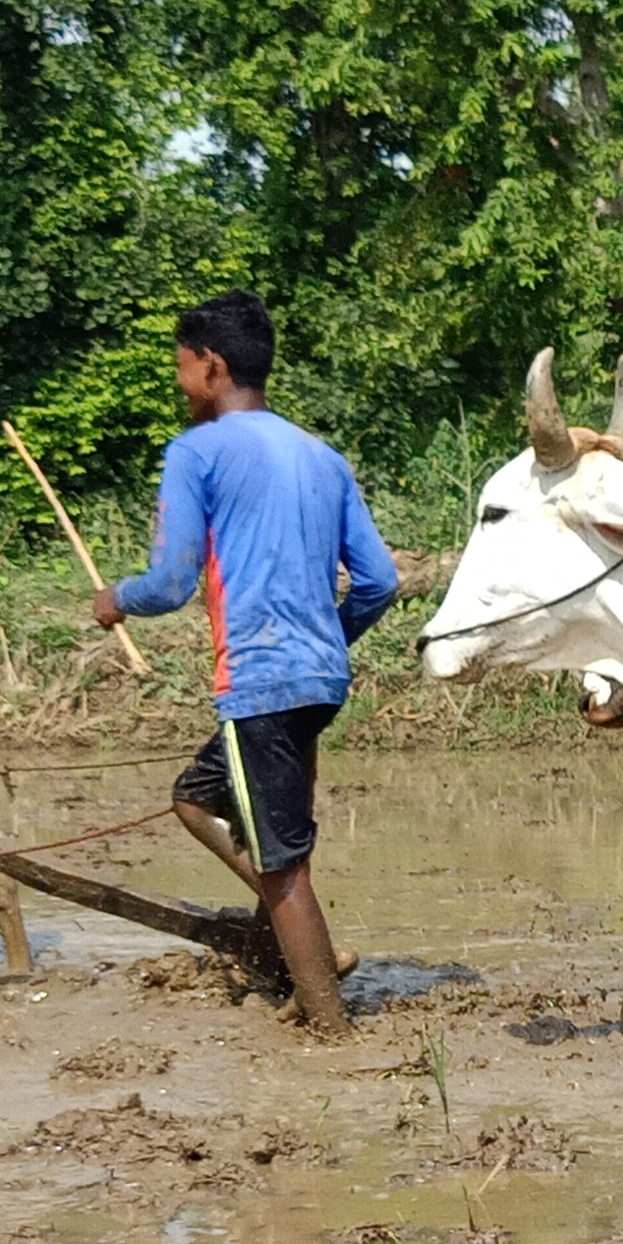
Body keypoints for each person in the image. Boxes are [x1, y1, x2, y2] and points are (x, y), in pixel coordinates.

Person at [93, 290, 398, 1036]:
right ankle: (316, 961)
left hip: (259, 683)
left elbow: (170, 582)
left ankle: (328, 1021)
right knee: (199, 798)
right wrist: (326, 637)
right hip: (320, 680)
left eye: (182, 368)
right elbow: (381, 582)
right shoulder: (323, 457)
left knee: (279, 863)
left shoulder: (195, 452)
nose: (179, 384)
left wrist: (115, 601)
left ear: (212, 367)